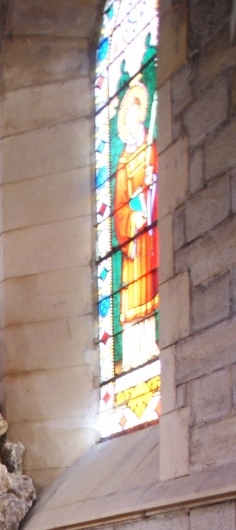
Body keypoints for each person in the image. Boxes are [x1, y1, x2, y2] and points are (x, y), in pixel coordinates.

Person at [113, 77, 158, 374]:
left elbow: (156, 190)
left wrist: (152, 187)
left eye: (135, 116)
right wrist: (132, 218)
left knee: (150, 289)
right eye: (127, 118)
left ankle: (149, 346)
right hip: (133, 236)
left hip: (148, 237)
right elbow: (118, 206)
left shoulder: (150, 150)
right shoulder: (122, 161)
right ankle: (131, 355)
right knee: (131, 292)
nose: (132, 123)